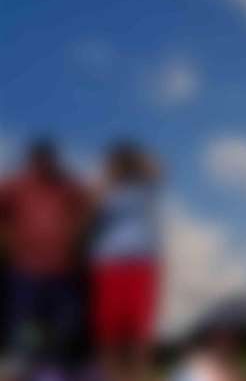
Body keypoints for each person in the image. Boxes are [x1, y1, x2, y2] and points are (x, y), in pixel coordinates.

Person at [0, 139, 92, 368]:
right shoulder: (16, 185)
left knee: (63, 326)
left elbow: (89, 207)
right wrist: (8, 242)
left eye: (48, 159)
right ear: (32, 161)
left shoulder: (67, 186)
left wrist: (76, 238)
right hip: (25, 270)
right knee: (25, 327)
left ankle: (53, 378)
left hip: (61, 270)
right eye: (39, 160)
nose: (44, 165)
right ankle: (24, 376)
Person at [89, 142, 162, 368]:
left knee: (139, 332)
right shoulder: (105, 192)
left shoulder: (144, 188)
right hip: (109, 264)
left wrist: (133, 159)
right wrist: (110, 173)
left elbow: (156, 170)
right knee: (108, 332)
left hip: (141, 262)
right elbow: (90, 209)